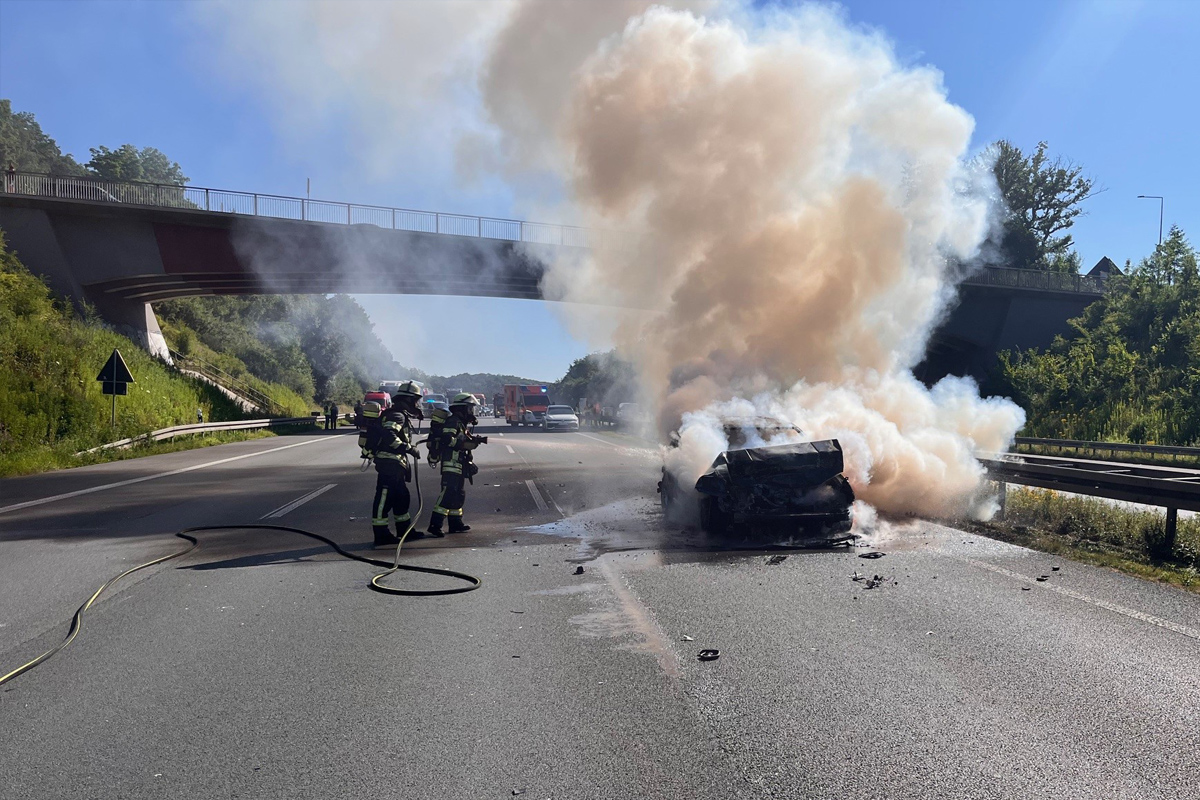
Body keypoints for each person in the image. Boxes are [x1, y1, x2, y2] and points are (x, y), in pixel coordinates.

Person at [365, 381, 424, 547]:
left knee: (402, 498)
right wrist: (408, 448)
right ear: (408, 400)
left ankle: (405, 531)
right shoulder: (396, 415)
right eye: (415, 400)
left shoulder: (399, 414)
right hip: (389, 464)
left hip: (396, 464)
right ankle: (381, 534)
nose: (416, 404)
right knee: (384, 499)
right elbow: (389, 433)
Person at [426, 393, 487, 536]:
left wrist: (473, 441)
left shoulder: (460, 423)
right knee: (448, 493)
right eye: (470, 409)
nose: (472, 412)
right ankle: (435, 524)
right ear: (463, 408)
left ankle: (455, 523)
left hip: (459, 463)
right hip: (451, 462)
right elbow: (447, 439)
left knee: (459, 494)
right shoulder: (453, 421)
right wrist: (463, 444)